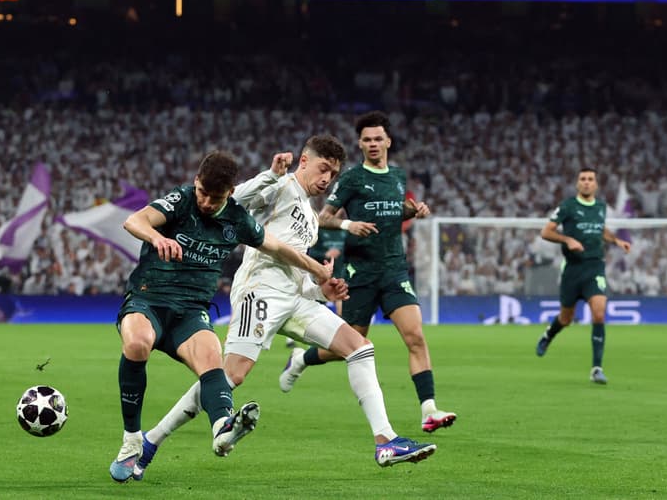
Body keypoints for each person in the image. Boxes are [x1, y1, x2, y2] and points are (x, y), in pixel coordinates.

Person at [133, 135, 436, 479]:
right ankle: (152, 440)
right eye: (323, 168)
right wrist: (271, 174)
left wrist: (322, 289)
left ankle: (386, 441)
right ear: (304, 161)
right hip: (259, 292)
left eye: (333, 174)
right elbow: (234, 199)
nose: (327, 178)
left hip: (295, 299)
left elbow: (297, 271)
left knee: (360, 347)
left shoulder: (311, 217)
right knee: (230, 375)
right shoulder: (280, 186)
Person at [109, 150, 335, 482]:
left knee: (213, 361)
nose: (205, 202)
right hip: (148, 299)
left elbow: (277, 247)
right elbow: (135, 220)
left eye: (215, 198)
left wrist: (317, 269)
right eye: (202, 192)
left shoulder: (237, 219)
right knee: (138, 342)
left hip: (190, 312)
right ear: (196, 182)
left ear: (229, 193)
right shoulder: (182, 200)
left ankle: (222, 428)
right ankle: (132, 440)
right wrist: (157, 238)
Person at [280, 111, 456, 433]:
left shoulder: (398, 176)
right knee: (349, 345)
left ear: (388, 141)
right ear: (360, 144)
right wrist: (349, 224)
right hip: (359, 272)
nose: (373, 144)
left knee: (415, 336)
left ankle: (428, 410)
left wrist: (411, 210)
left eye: (378, 139)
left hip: (394, 269)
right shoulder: (351, 179)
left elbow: (390, 212)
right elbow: (322, 217)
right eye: (367, 139)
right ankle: (301, 360)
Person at [535, 168, 632, 384]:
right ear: (577, 184)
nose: (587, 182)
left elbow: (600, 230)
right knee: (566, 319)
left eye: (590, 179)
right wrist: (567, 240)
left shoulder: (600, 207)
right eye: (583, 179)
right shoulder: (568, 206)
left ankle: (597, 368)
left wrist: (616, 240)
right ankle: (549, 334)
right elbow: (546, 232)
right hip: (573, 269)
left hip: (594, 267)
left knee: (599, 313)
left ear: (596, 184)